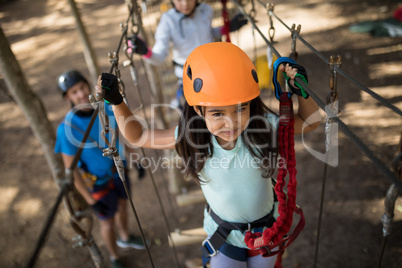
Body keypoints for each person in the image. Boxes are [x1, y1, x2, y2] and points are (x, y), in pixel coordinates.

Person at [97, 42, 320, 268]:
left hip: (267, 230)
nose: (230, 122)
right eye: (217, 113)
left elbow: (309, 123)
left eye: (241, 108)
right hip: (224, 236)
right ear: (198, 110)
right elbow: (138, 136)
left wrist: (302, 92)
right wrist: (116, 102)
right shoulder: (193, 139)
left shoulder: (263, 127)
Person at [54, 70, 147, 268]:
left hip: (118, 170)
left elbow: (122, 133)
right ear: (67, 97)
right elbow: (71, 170)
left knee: (123, 206)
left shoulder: (106, 106)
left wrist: (135, 158)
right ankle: (115, 257)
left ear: (88, 86)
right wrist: (90, 201)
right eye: (74, 92)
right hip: (97, 184)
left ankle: (125, 236)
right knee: (107, 222)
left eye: (82, 87)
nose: (80, 94)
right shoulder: (67, 129)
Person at [128, 0, 248, 109]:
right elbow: (159, 56)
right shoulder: (168, 21)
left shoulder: (205, 10)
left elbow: (208, 34)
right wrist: (146, 52)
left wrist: (226, 29)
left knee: (224, 108)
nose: (185, 4)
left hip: (214, 74)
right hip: (189, 81)